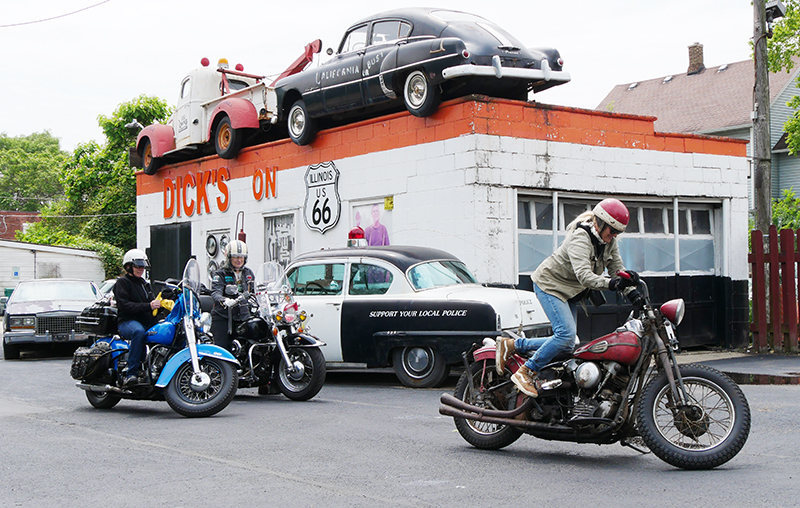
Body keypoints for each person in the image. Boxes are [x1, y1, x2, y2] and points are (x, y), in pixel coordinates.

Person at [496, 198, 642, 397]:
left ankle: (512, 345)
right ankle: (527, 371)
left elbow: (617, 270)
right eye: (612, 231)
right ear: (601, 223)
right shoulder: (581, 238)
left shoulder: (609, 243)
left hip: (570, 291)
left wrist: (633, 292)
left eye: (617, 233)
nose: (614, 236)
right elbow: (584, 275)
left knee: (568, 342)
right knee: (565, 334)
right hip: (550, 286)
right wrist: (612, 284)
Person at [114, 249, 162, 386]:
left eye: (142, 266)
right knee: (138, 331)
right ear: (128, 266)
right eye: (137, 266)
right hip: (127, 322)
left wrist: (163, 304)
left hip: (145, 322)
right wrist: (149, 306)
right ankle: (131, 373)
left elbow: (152, 305)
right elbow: (125, 306)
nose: (141, 269)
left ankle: (156, 370)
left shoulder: (144, 284)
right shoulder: (122, 283)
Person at [210, 240, 255, 351]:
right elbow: (215, 292)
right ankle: (220, 367)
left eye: (242, 257)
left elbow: (255, 291)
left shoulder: (248, 273)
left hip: (244, 316)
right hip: (224, 316)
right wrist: (225, 300)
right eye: (235, 256)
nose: (239, 260)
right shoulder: (220, 274)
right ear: (229, 257)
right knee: (222, 348)